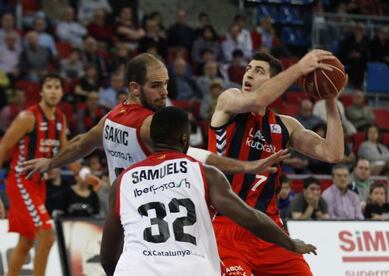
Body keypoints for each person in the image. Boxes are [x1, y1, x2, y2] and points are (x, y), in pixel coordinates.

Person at [100, 106, 316, 276]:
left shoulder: (123, 181)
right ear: (185, 139)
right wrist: (289, 243)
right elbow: (251, 219)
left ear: (153, 137)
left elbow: (108, 256)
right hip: (192, 268)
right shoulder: (204, 173)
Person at [23, 53, 286, 187]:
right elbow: (195, 154)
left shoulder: (112, 118)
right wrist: (247, 167)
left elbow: (82, 143)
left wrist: (51, 161)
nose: (165, 92)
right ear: (135, 88)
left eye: (166, 84)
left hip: (123, 214)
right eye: (156, 86)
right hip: (152, 225)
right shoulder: (149, 124)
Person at [208, 50, 343, 275]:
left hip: (269, 228)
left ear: (274, 82)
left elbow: (333, 153)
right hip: (227, 225)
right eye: (248, 69)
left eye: (259, 71)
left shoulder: (285, 126)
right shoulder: (229, 101)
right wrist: (300, 68)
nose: (249, 74)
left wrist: (330, 99)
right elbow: (258, 99)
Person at [0, 74, 68, 276]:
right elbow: (3, 148)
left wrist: (83, 173)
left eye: (57, 87)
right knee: (47, 236)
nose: (53, 90)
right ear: (41, 91)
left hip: (39, 185)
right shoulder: (27, 118)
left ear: (62, 92)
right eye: (49, 86)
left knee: (26, 242)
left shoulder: (60, 118)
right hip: (21, 182)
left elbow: (66, 152)